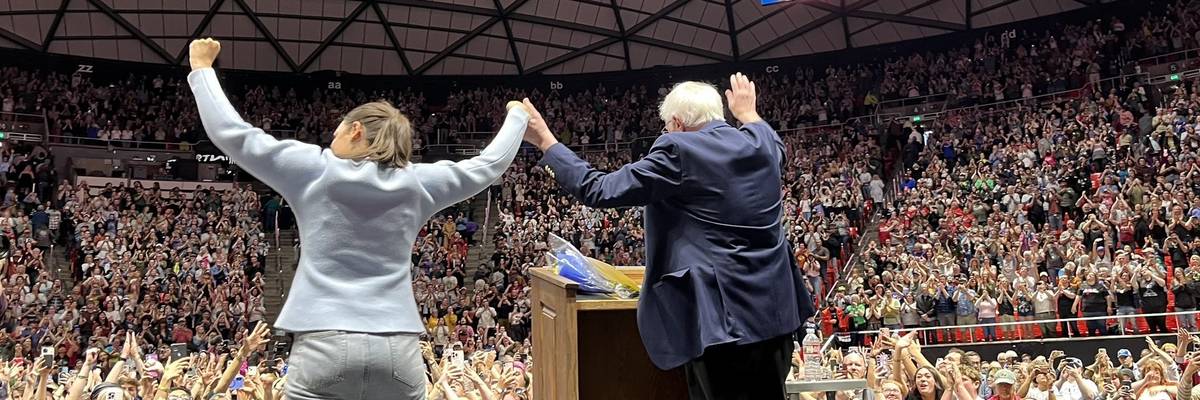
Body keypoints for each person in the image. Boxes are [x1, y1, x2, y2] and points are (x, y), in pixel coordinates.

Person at [185, 38, 531, 400]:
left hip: (323, 343)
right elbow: (487, 166)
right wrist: (517, 116)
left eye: (337, 132)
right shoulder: (418, 183)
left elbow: (233, 134)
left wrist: (202, 69)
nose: (332, 139)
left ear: (356, 131)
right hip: (398, 350)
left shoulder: (313, 169)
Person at [523, 73, 815, 399]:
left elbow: (599, 190)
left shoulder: (679, 148)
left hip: (722, 328)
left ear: (675, 122)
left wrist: (546, 142)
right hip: (776, 318)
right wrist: (747, 112)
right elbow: (771, 141)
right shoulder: (761, 142)